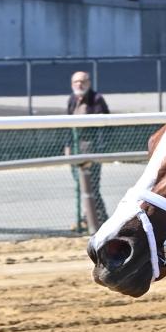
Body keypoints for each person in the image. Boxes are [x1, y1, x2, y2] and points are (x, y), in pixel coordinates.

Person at [66, 71, 109, 230]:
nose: (79, 85)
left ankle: (97, 218)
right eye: (76, 82)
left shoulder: (96, 100)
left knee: (92, 185)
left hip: (91, 148)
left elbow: (104, 126)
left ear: (89, 83)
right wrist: (67, 145)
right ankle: (90, 218)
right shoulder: (72, 100)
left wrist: (98, 149)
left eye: (82, 81)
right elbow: (67, 125)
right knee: (80, 184)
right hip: (75, 148)